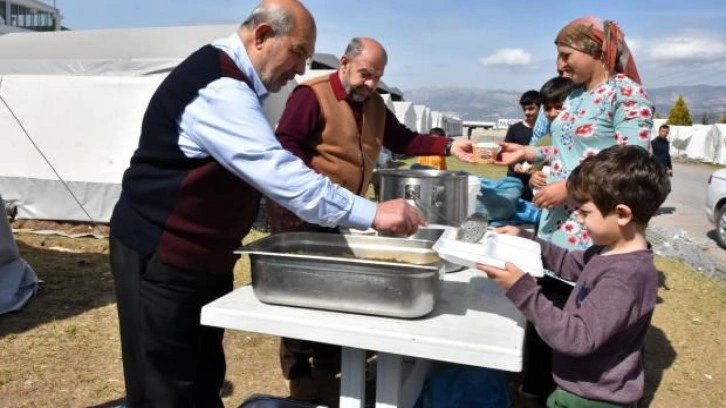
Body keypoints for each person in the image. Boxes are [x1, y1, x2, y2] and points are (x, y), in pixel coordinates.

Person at [108, 2, 426, 407]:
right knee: (166, 387)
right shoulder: (220, 87)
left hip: (201, 258)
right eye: (297, 53)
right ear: (261, 36)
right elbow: (279, 171)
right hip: (161, 254)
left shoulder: (238, 82)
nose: (299, 69)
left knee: (200, 376)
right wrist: (373, 213)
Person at [267, 36, 474, 405]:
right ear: (344, 63)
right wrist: (313, 193)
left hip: (343, 211)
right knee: (302, 290)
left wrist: (448, 146)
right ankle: (298, 372)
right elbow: (287, 148)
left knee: (336, 287)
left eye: (377, 76)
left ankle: (328, 361)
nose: (371, 83)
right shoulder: (311, 95)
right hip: (299, 213)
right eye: (365, 74)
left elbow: (405, 140)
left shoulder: (375, 104)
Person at [479, 144, 670, 407]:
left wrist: (521, 289)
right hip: (579, 388)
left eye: (585, 212)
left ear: (622, 214)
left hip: (592, 398)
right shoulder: (609, 252)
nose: (578, 219)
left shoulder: (624, 278)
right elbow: (569, 263)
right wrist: (524, 238)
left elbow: (575, 338)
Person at [496, 17, 653, 251]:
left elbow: (631, 164)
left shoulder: (625, 94)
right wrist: (527, 152)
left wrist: (569, 188)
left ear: (596, 51)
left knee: (578, 284)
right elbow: (568, 149)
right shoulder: (573, 96)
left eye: (566, 55)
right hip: (554, 220)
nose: (559, 65)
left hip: (592, 226)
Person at [528, 76, 577, 195]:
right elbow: (534, 175)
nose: (552, 113)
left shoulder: (583, 140)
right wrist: (533, 180)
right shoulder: (543, 141)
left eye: (559, 107)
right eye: (548, 108)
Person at [506, 90, 541, 201]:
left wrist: (535, 169)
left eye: (531, 108)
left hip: (536, 182)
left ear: (540, 108)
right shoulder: (514, 129)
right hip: (515, 181)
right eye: (524, 109)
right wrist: (515, 165)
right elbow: (506, 153)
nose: (527, 112)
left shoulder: (547, 132)